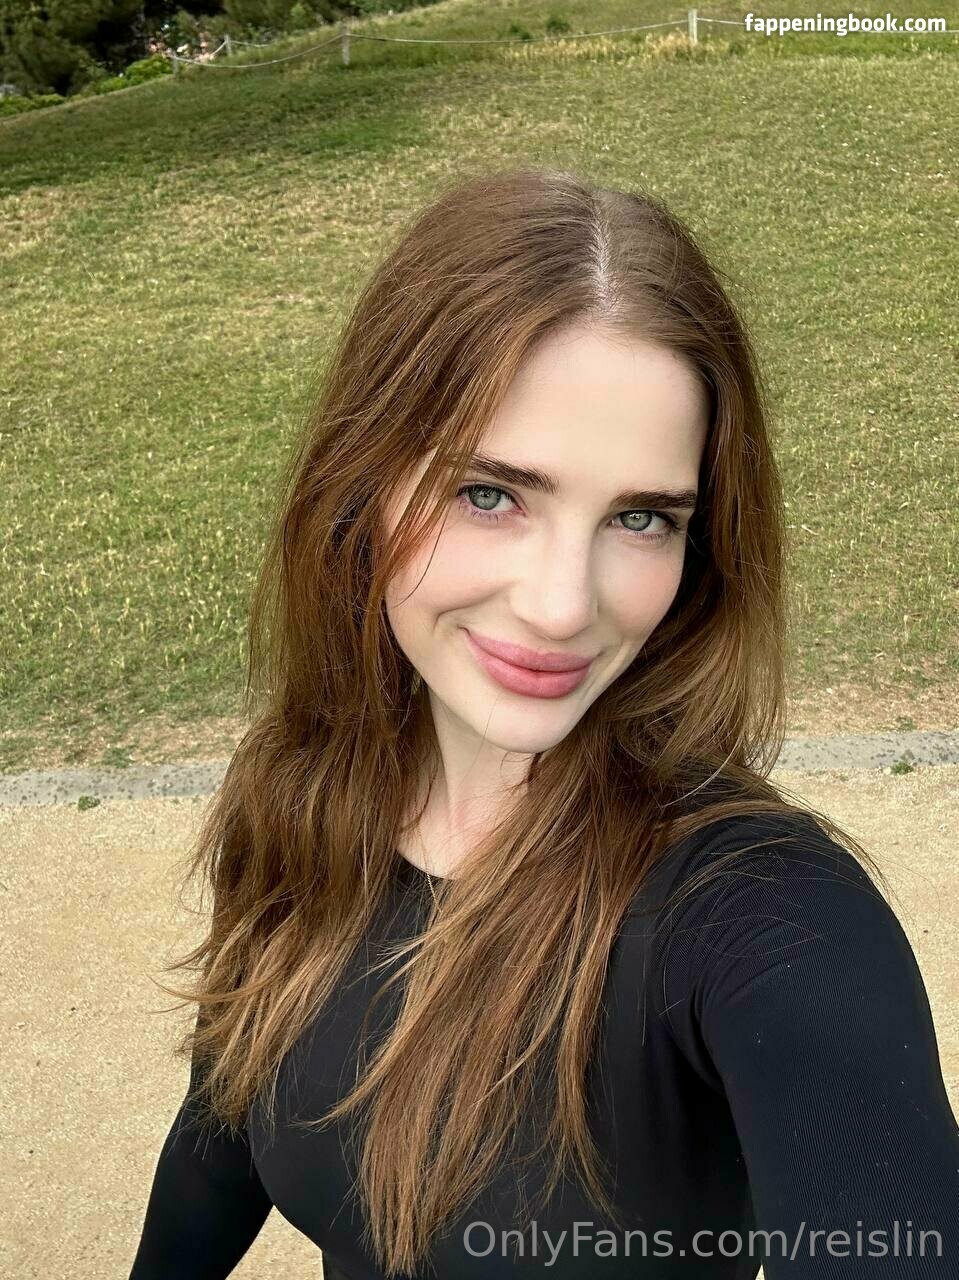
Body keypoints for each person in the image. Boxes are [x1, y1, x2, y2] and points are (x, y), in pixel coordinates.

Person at [126, 168, 959, 1280]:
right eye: (490, 494)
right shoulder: (300, 792)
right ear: (361, 483)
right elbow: (225, 1119)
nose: (564, 606)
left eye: (641, 517)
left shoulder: (763, 911)